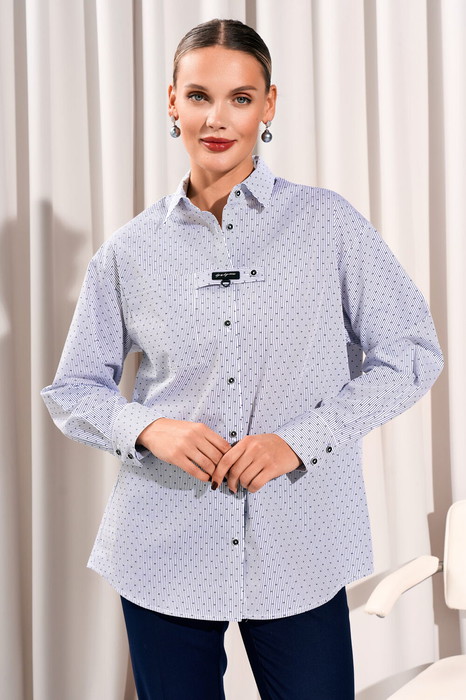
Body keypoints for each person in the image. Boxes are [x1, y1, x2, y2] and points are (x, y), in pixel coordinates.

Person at [40, 17, 444, 700]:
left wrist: (298, 441)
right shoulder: (130, 252)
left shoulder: (328, 225)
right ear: (173, 102)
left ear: (269, 105)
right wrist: (149, 428)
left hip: (300, 542)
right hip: (162, 544)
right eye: (199, 96)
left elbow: (410, 355)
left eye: (241, 98)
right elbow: (74, 389)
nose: (217, 118)